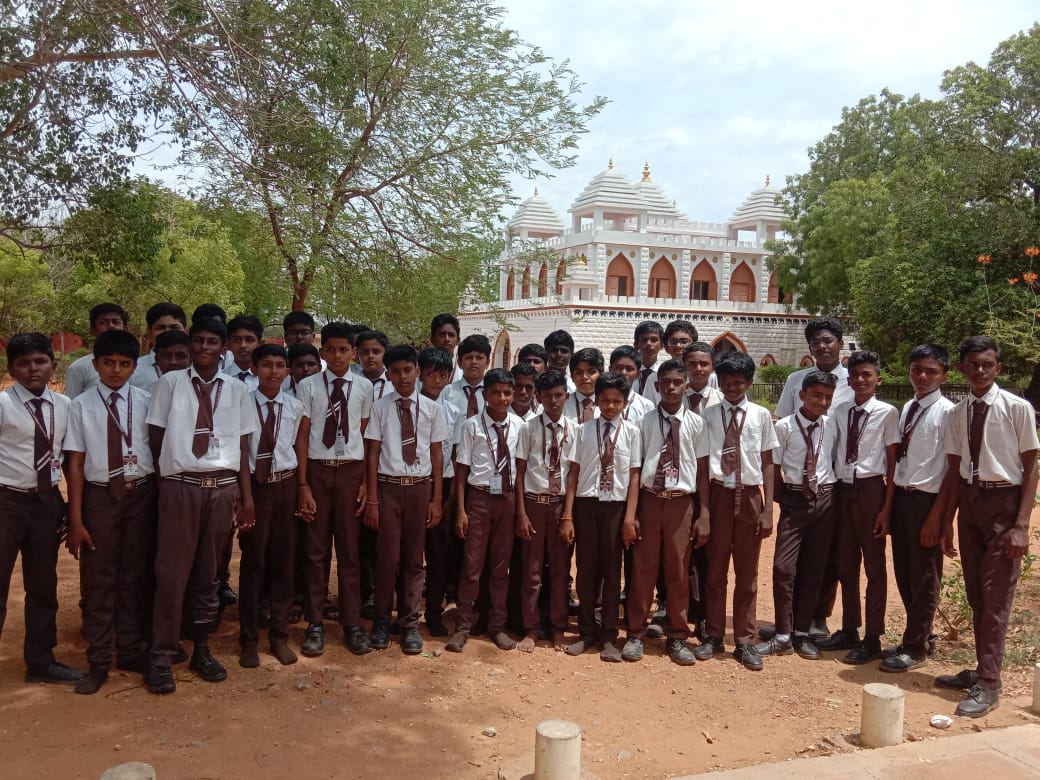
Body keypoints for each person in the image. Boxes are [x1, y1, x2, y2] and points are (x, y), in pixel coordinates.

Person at [144, 317, 257, 694]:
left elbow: (243, 446)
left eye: (212, 342)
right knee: (171, 573)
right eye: (198, 341)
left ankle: (202, 649)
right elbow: (156, 437)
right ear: (190, 344)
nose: (204, 348)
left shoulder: (238, 390)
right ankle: (161, 655)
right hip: (181, 486)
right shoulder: (170, 384)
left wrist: (246, 498)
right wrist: (167, 484)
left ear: (223, 348)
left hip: (221, 488)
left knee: (209, 574)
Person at [928, 335, 1038, 718]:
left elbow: (1031, 467)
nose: (980, 370)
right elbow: (954, 471)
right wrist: (947, 522)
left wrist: (1021, 524)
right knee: (977, 594)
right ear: (962, 368)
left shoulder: (1016, 408)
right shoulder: (957, 413)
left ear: (998, 368)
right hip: (971, 503)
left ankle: (990, 683)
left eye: (987, 364)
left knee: (996, 597)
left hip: (1004, 504)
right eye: (973, 364)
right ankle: (981, 669)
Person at [65, 329, 156, 694]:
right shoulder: (80, 406)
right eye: (108, 363)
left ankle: (130, 649)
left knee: (134, 574)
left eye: (124, 363)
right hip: (100, 495)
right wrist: (75, 517)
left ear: (135, 365)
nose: (116, 371)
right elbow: (75, 463)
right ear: (95, 364)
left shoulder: (147, 401)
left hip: (140, 493)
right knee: (100, 576)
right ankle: (99, 660)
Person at [0, 333, 85, 685]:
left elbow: (68, 460)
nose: (32, 369)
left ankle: (40, 661)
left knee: (43, 585)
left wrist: (68, 509)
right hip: (6, 501)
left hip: (46, 502)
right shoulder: (3, 404)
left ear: (53, 364)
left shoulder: (65, 407)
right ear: (11, 369)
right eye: (23, 363)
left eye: (40, 361)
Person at [772, 316, 854, 642]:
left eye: (827, 340)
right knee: (791, 559)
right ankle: (789, 620)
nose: (822, 346)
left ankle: (816, 617)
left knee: (826, 554)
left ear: (840, 343)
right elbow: (783, 422)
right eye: (816, 342)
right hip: (798, 480)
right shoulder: (796, 380)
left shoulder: (852, 380)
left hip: (834, 477)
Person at [295, 322, 374, 657]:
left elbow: (366, 436)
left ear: (353, 353)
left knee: (350, 551)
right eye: (331, 350)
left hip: (351, 472)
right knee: (316, 551)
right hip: (318, 470)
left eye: (344, 350)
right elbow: (302, 435)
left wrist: (366, 482)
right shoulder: (308, 386)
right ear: (322, 352)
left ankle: (352, 623)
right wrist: (302, 484)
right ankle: (314, 623)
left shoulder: (364, 387)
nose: (338, 356)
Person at [622, 360, 709, 666]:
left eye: (677, 382)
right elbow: (635, 469)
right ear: (657, 386)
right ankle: (635, 632)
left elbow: (702, 472)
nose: (671, 388)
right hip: (650, 499)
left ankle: (677, 634)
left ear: (686, 386)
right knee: (643, 570)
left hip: (681, 503)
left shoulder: (697, 424)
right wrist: (632, 514)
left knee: (678, 570)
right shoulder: (643, 422)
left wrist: (704, 513)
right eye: (665, 383)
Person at [817, 351, 899, 665]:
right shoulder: (841, 410)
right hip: (844, 489)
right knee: (845, 563)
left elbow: (892, 463)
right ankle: (850, 628)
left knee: (874, 566)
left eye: (867, 375)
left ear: (879, 378)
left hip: (871, 489)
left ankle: (873, 637)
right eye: (855, 375)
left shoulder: (887, 413)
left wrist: (886, 509)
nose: (861, 380)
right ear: (848, 380)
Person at [363, 345, 446, 655]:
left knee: (413, 559)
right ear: (388, 375)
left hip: (419, 488)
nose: (403, 377)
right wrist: (372, 499)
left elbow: (436, 454)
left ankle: (410, 624)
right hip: (388, 487)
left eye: (408, 370)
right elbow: (372, 453)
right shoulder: (380, 408)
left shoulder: (432, 409)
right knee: (387, 558)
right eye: (396, 372)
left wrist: (436, 499)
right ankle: (382, 621)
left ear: (418, 371)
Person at [698, 352, 777, 671]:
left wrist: (768, 508)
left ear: (749, 383)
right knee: (715, 571)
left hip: (749, 496)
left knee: (747, 573)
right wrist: (704, 511)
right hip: (718, 493)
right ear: (719, 382)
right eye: (726, 382)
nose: (732, 388)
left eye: (739, 383)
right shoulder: (708, 414)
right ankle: (714, 634)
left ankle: (744, 639)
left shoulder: (761, 415)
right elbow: (703, 463)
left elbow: (768, 462)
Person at [755, 371, 838, 662]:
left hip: (826, 498)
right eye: (816, 395)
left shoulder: (832, 425)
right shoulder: (785, 427)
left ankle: (801, 632)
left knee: (814, 568)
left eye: (827, 397)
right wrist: (783, 498)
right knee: (784, 567)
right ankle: (782, 633)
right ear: (802, 395)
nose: (822, 402)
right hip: (794, 498)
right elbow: (774, 468)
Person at [880, 344, 953, 672]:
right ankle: (921, 636)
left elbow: (952, 469)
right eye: (917, 370)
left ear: (944, 376)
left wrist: (938, 517)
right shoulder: (909, 406)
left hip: (927, 501)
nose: (922, 377)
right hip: (903, 497)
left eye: (931, 371)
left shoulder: (948, 412)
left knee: (925, 575)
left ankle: (916, 648)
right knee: (906, 572)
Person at [562, 372, 641, 662]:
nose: (610, 406)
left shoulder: (632, 432)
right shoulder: (582, 431)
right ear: (596, 401)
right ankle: (586, 632)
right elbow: (573, 474)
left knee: (611, 572)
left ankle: (608, 635)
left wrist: (629, 518)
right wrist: (567, 515)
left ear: (625, 403)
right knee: (586, 570)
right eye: (605, 400)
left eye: (617, 401)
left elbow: (634, 477)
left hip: (615, 507)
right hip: (586, 505)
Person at [238, 344, 304, 669]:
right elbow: (240, 453)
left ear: (288, 372)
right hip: (255, 486)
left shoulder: (294, 406)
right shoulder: (242, 404)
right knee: (253, 562)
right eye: (266, 364)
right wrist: (246, 497)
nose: (273, 371)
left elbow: (299, 447)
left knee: (283, 561)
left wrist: (302, 488)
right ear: (254, 369)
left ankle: (279, 636)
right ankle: (248, 640)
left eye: (280, 365)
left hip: (285, 485)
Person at [447, 368, 523, 653]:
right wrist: (461, 510)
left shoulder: (520, 426)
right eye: (496, 393)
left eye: (507, 393)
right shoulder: (472, 426)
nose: (502, 398)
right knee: (472, 566)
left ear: (513, 395)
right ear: (485, 395)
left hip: (507, 498)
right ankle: (463, 626)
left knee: (501, 567)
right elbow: (461, 471)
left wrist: (519, 511)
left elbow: (520, 470)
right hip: (478, 499)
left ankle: (497, 626)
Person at [515, 369, 576, 652]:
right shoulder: (528, 428)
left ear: (566, 396)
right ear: (538, 397)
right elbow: (519, 472)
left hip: (560, 505)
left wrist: (568, 515)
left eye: (558, 395)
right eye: (548, 396)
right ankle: (531, 628)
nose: (554, 401)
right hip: (533, 503)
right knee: (532, 570)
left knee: (560, 570)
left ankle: (558, 628)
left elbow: (573, 476)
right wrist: (521, 513)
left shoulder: (575, 429)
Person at [417, 348, 461, 637]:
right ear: (420, 373)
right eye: (430, 373)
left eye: (442, 375)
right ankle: (407, 611)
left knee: (438, 554)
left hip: (442, 485)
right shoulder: (406, 405)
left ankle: (433, 611)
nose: (435, 380)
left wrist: (450, 498)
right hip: (412, 482)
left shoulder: (453, 412)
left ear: (448, 378)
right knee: (408, 553)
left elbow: (454, 457)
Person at [64, 303, 130, 398]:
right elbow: (72, 403)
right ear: (92, 330)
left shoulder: (139, 367)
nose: (111, 326)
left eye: (116, 322)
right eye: (103, 323)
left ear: (125, 329)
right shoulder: (79, 368)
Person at [130, 303, 187, 392]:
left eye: (174, 327)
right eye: (160, 328)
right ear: (149, 333)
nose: (168, 333)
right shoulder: (133, 370)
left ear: (186, 332)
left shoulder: (198, 368)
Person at [442, 334, 491, 423]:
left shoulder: (494, 393)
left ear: (487, 363)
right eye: (468, 358)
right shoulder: (447, 392)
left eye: (479, 358)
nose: (474, 362)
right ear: (459, 363)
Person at [609, 346, 654, 424]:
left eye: (629, 369)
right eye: (618, 368)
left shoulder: (646, 406)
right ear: (610, 370)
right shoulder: (600, 402)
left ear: (638, 374)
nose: (623, 373)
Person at [224, 315, 264, 387]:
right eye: (237, 340)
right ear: (228, 344)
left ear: (260, 344)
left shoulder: (268, 379)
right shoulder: (220, 378)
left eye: (249, 340)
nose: (243, 345)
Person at [565, 347, 602, 424]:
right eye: (578, 372)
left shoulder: (609, 404)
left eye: (591, 372)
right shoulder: (562, 404)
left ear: (601, 375)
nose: (584, 377)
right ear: (572, 377)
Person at [683, 343, 723, 413]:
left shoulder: (722, 399)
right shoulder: (675, 400)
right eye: (692, 364)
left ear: (712, 367)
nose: (698, 368)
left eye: (704, 364)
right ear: (684, 366)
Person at [355, 329, 390, 400]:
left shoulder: (396, 382)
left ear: (386, 354)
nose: (370, 356)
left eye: (376, 352)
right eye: (365, 352)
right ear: (357, 354)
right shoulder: (351, 383)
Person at [632, 320, 664, 397]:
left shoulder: (665, 373)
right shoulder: (629, 373)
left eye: (654, 340)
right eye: (644, 340)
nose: (649, 343)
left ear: (662, 345)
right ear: (636, 344)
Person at [429, 313, 464, 381]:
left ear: (458, 340)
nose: (447, 339)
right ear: (432, 339)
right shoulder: (422, 369)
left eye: (451, 335)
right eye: (442, 335)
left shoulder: (463, 371)